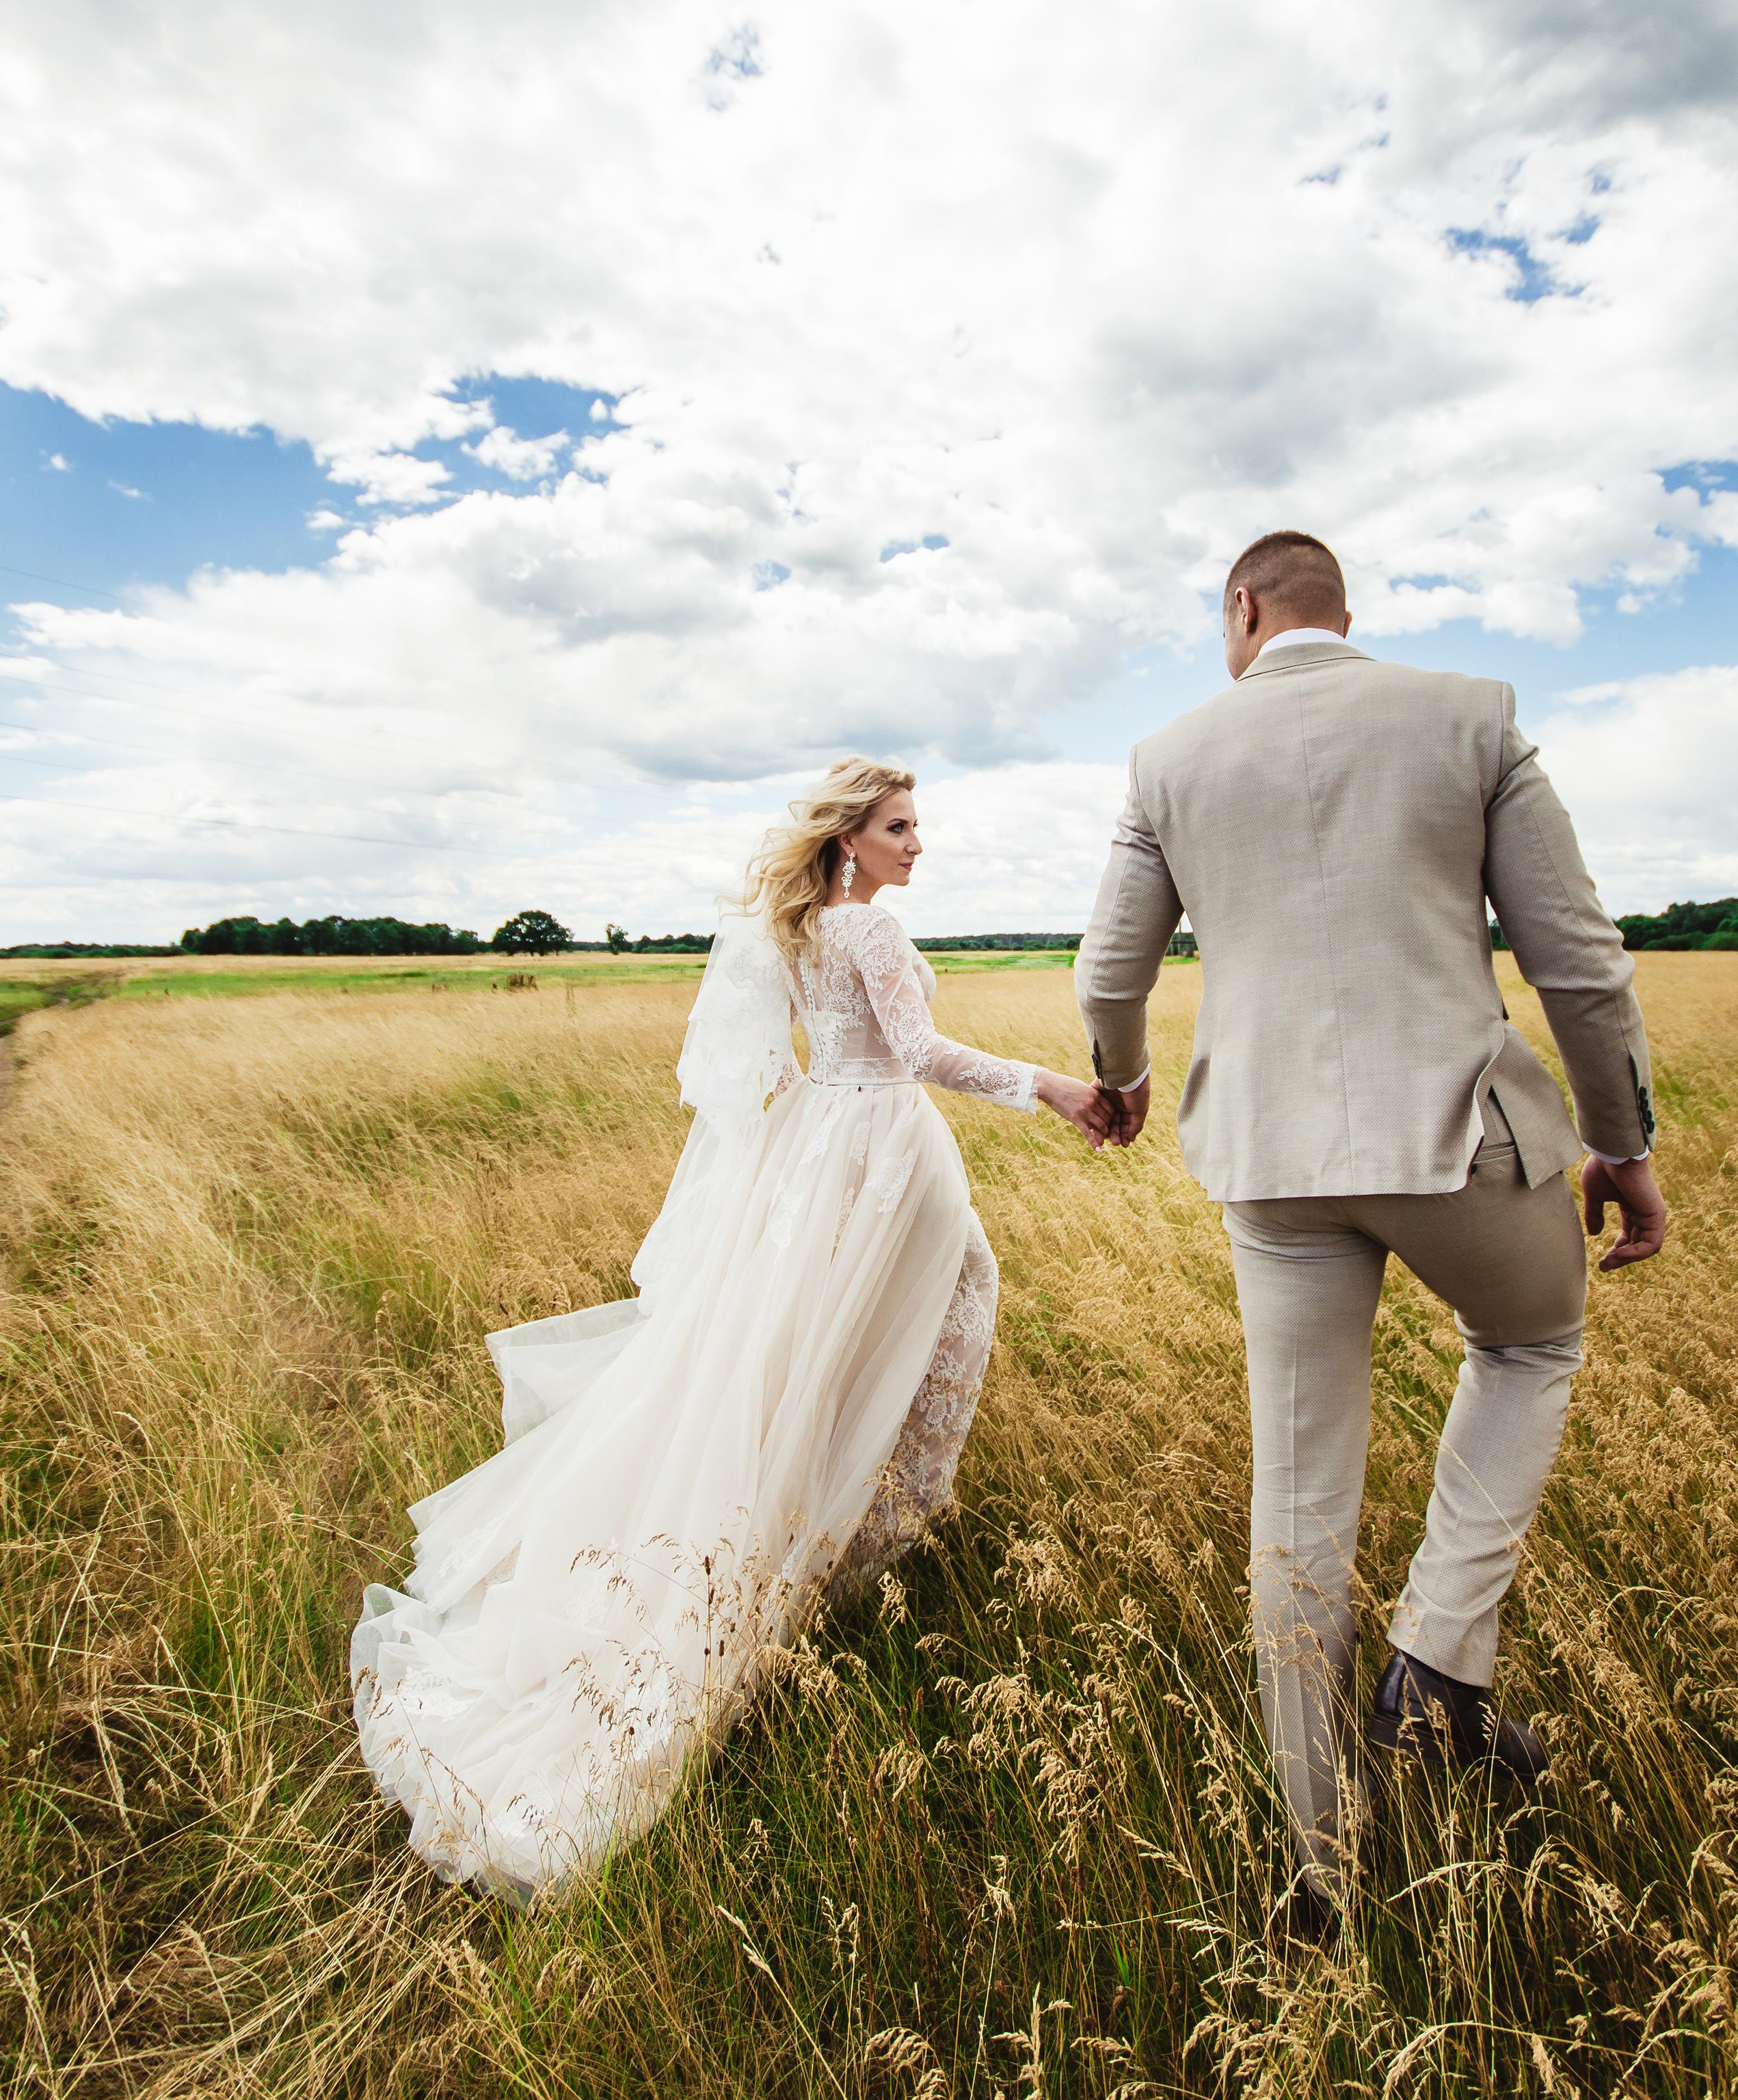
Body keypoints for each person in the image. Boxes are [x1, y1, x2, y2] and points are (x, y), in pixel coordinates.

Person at [352, 757, 1109, 1900]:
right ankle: (855, 1545)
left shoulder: (801, 930)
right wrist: (1051, 1086)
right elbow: (915, 1054)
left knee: (813, 1351)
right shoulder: (868, 930)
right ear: (849, 839)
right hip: (877, 1148)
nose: (918, 843)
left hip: (823, 1150)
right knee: (903, 1330)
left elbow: (795, 1057)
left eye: (917, 825)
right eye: (900, 826)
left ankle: (841, 1531)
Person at [1075, 531, 1667, 1912]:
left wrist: (1122, 1077)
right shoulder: (1471, 716)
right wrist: (1620, 1145)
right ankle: (1439, 1664)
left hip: (1271, 1164)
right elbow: (1579, 969)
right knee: (1527, 1345)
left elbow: (1109, 975)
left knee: (1296, 1499)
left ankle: (1322, 1865)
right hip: (1458, 1138)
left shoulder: (1168, 758)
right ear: (1342, 613)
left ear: (1241, 608)